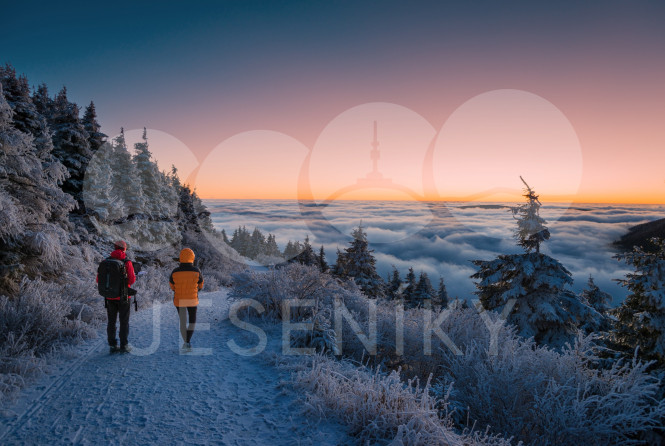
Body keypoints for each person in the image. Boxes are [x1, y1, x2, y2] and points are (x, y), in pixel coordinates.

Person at [98, 241, 136, 353]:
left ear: (114, 248)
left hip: (109, 297)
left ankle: (112, 345)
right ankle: (124, 345)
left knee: (111, 321)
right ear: (124, 249)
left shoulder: (105, 262)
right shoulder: (127, 262)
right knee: (124, 321)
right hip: (124, 297)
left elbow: (98, 280)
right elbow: (132, 280)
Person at [170, 248, 204, 351]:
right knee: (192, 321)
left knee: (183, 322)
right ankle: (187, 342)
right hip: (192, 300)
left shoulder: (175, 272)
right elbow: (201, 285)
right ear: (192, 258)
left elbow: (172, 287)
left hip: (179, 301)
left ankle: (186, 342)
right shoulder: (196, 271)